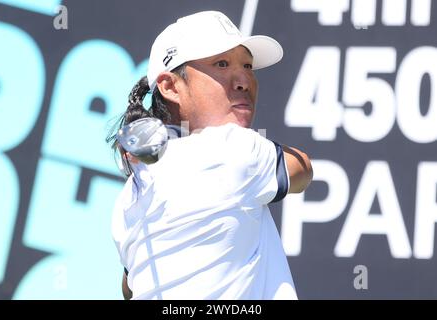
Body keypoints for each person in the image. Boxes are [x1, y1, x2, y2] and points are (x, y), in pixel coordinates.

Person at [107, 10, 313, 300]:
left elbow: (130, 288)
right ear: (169, 86)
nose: (244, 80)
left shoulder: (128, 197)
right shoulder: (236, 148)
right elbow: (302, 170)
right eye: (221, 64)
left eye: (248, 65)